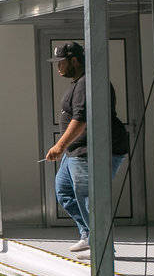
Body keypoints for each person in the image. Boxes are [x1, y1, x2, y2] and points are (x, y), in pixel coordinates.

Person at [43, 42, 129, 257]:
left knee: (89, 198)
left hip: (92, 151)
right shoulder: (77, 82)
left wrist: (59, 146)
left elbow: (82, 119)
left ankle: (102, 246)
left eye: (61, 62)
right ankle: (89, 235)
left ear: (74, 60)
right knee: (64, 191)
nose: (58, 67)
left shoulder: (87, 82)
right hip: (77, 151)